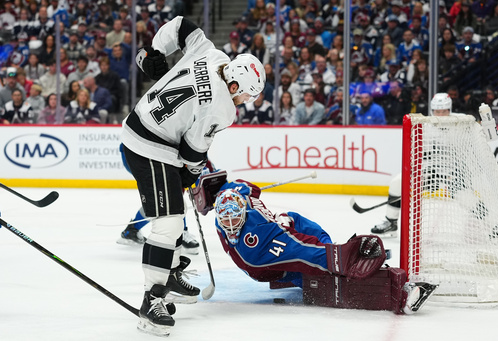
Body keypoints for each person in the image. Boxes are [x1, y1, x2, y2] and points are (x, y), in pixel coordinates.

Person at [120, 16, 265, 336]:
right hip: (149, 146)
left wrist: (152, 51)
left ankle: (168, 274)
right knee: (169, 223)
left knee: (172, 216)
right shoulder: (223, 108)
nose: (242, 102)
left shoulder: (212, 54)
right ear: (236, 85)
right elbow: (192, 154)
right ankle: (151, 298)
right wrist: (192, 175)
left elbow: (181, 25)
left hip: (144, 125)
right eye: (244, 96)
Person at [191, 174, 437, 314]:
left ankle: (331, 254)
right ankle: (396, 294)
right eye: (226, 220)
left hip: (273, 233)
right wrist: (340, 257)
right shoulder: (251, 245)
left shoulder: (236, 196)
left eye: (235, 217)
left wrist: (207, 191)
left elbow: (246, 189)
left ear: (242, 208)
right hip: (265, 265)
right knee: (312, 267)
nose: (230, 224)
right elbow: (299, 249)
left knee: (299, 222)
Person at [371, 93, 458, 237]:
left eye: (444, 111)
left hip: (453, 172)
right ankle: (391, 222)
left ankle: (489, 225)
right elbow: (418, 155)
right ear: (432, 111)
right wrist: (427, 173)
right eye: (438, 111)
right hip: (429, 171)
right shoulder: (424, 126)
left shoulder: (461, 122)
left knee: (465, 196)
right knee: (397, 182)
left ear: (450, 110)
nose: (441, 115)